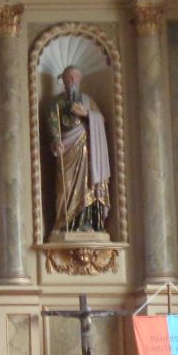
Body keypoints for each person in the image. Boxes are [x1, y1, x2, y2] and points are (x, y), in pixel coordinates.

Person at [45, 65, 111, 235]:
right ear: (64, 81)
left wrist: (87, 114)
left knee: (87, 185)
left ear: (80, 79)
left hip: (87, 151)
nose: (73, 80)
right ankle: (63, 222)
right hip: (67, 149)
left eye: (75, 77)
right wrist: (56, 142)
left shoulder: (89, 101)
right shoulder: (56, 103)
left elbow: (101, 120)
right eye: (69, 77)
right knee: (65, 188)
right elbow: (53, 125)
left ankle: (87, 224)